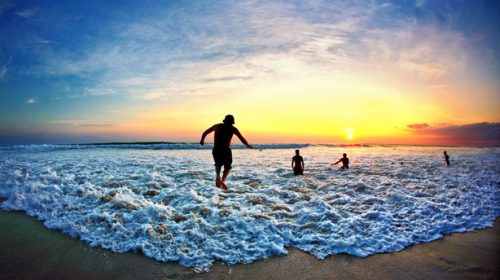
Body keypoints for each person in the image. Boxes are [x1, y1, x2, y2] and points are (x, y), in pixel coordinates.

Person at [200, 115, 252, 190]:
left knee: (218, 164)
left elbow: (205, 132)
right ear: (232, 122)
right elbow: (241, 138)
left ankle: (218, 175)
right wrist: (247, 145)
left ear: (224, 120)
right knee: (227, 166)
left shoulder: (217, 126)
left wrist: (202, 140)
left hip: (216, 149)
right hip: (226, 150)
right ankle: (223, 180)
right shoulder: (233, 129)